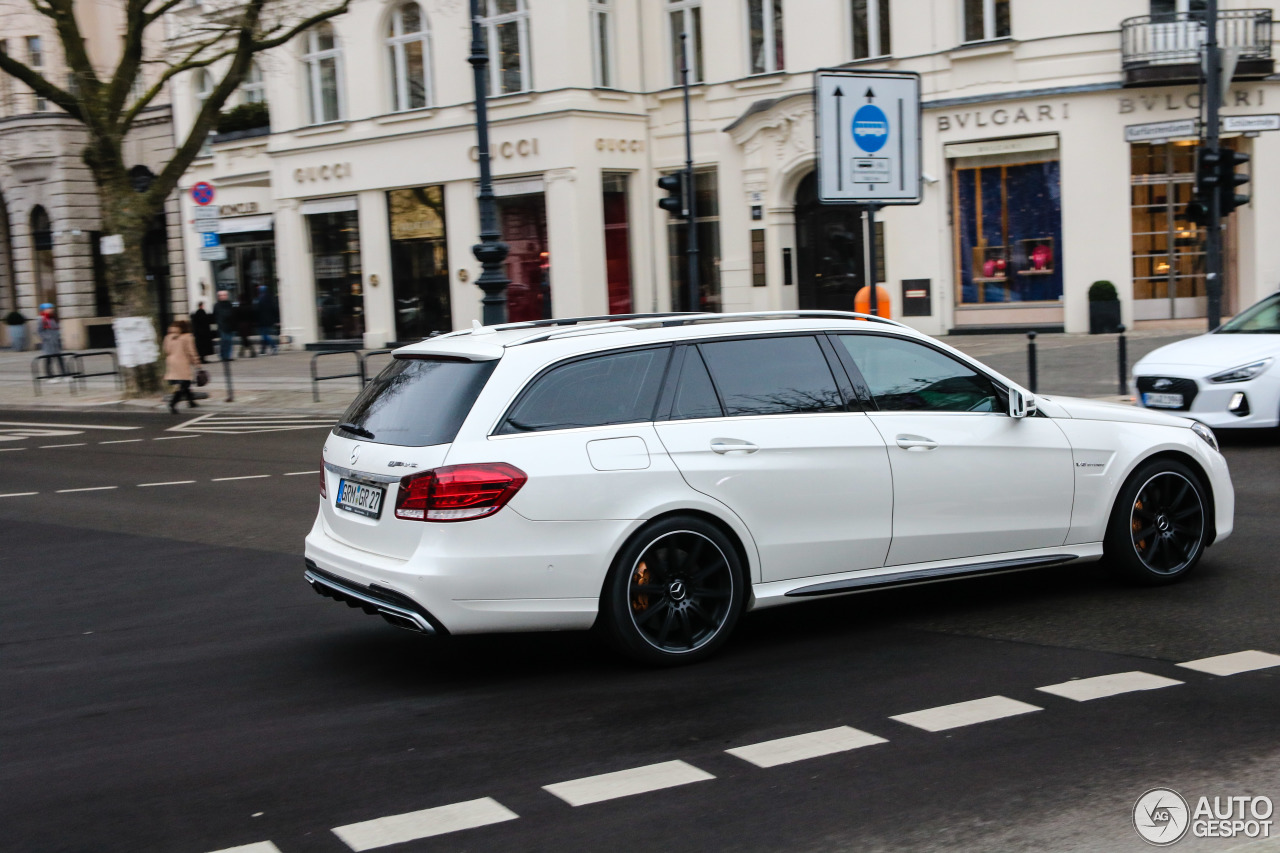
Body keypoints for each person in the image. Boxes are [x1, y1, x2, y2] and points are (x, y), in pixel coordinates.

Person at [162, 319, 200, 413]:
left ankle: (191, 402)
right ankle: (173, 403)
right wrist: (197, 363)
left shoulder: (168, 337)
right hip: (182, 362)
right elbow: (191, 352)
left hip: (171, 362)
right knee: (184, 384)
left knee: (185, 383)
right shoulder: (187, 337)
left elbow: (166, 351)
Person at [38, 303, 66, 379]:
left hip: (56, 341)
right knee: (49, 360)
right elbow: (39, 331)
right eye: (49, 308)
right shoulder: (41, 319)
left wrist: (59, 337)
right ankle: (50, 376)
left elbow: (57, 328)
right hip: (48, 343)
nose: (51, 310)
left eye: (51, 308)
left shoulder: (54, 318)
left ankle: (64, 374)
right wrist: (47, 337)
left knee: (60, 358)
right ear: (43, 310)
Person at [212, 290, 236, 362]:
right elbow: (215, 316)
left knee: (229, 342)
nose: (223, 297)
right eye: (221, 295)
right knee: (224, 342)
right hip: (222, 326)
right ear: (219, 297)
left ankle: (227, 356)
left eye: (225, 295)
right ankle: (223, 356)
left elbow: (233, 315)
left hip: (230, 326)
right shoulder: (217, 305)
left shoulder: (229, 304)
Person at [254, 285, 279, 354]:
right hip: (268, 320)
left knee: (264, 335)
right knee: (264, 335)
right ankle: (263, 349)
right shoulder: (269, 299)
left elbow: (257, 310)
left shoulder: (260, 299)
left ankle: (274, 346)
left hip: (262, 320)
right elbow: (274, 309)